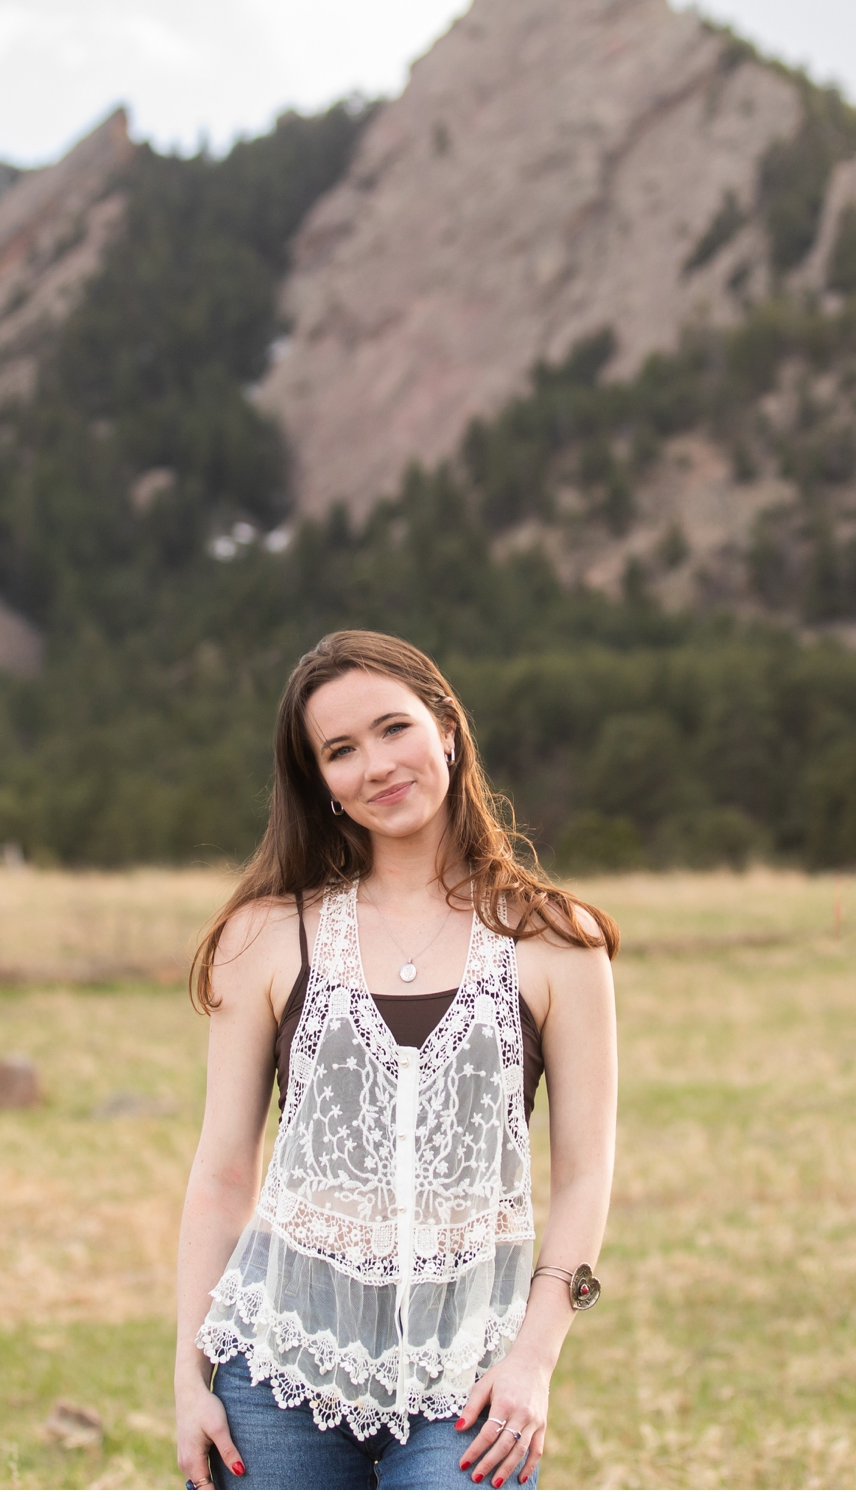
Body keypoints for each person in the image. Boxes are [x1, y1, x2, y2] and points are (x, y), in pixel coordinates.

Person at [173, 630, 619, 1490]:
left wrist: (534, 1360)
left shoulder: (559, 942)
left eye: (393, 728)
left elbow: (585, 1174)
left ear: (446, 727)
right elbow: (223, 1171)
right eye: (340, 750)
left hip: (471, 1378)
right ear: (322, 784)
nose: (376, 764)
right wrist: (188, 1378)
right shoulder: (266, 936)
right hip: (275, 1370)